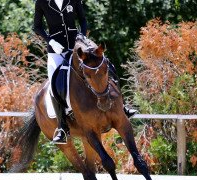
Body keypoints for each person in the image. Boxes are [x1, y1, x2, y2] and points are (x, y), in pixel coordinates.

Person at [33, 0, 137, 144]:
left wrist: (81, 36)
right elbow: (37, 27)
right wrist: (50, 41)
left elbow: (82, 20)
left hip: (79, 47)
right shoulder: (42, 2)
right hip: (56, 50)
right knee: (53, 85)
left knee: (107, 65)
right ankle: (62, 127)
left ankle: (123, 107)